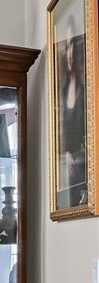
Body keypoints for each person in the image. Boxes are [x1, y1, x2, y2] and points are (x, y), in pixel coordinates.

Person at [56, 16, 88, 209]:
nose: (70, 52)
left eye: (73, 45)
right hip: (70, 167)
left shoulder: (86, 90)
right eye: (67, 46)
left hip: (85, 167)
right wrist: (67, 153)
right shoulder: (63, 89)